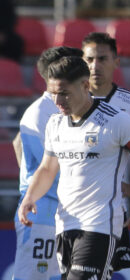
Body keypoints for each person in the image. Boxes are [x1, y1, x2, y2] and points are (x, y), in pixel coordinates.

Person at [18, 56, 130, 279]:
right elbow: (48, 169)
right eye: (53, 93)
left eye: (65, 93)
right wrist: (30, 197)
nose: (58, 100)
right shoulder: (55, 123)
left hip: (99, 226)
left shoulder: (117, 121)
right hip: (64, 225)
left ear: (85, 86)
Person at [81, 32, 130, 271]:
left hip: (114, 209)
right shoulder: (68, 102)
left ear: (116, 62)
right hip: (72, 210)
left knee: (105, 273)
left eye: (102, 58)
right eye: (89, 59)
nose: (95, 65)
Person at [12, 46, 83, 280]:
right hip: (42, 213)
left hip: (62, 212)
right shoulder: (41, 113)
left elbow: (16, 144)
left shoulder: (65, 108)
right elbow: (53, 165)